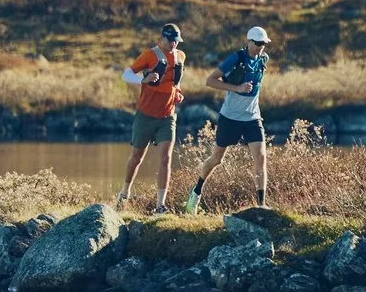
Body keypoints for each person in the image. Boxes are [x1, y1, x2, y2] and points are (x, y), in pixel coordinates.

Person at [183, 24, 271, 214]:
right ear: (249, 41)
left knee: (261, 158)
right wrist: (237, 88)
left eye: (263, 44)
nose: (260, 47)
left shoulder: (264, 59)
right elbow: (210, 81)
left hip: (252, 117)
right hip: (230, 117)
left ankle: (261, 204)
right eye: (257, 43)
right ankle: (196, 191)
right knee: (216, 159)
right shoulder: (236, 58)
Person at [115, 23, 188, 214]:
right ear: (162, 38)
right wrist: (143, 79)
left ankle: (160, 205)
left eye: (176, 41)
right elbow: (126, 75)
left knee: (166, 157)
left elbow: (176, 82)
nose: (173, 44)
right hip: (145, 115)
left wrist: (178, 93)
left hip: (168, 116)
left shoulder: (180, 56)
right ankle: (124, 193)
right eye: (171, 40)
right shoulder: (149, 55)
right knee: (137, 157)